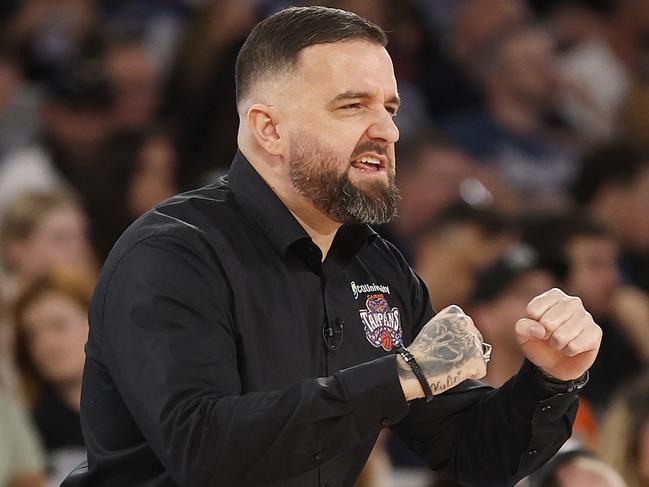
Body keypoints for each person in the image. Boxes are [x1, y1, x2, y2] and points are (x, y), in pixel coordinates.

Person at [62, 7, 602, 487]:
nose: (388, 130)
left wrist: (551, 377)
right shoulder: (172, 255)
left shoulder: (378, 267)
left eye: (390, 107)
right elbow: (204, 453)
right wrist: (399, 377)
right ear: (269, 129)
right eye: (352, 106)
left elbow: (473, 453)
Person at [12, 267, 93, 487]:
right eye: (32, 335)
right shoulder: (27, 425)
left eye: (58, 325)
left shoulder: (138, 406)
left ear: (95, 321)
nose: (46, 345)